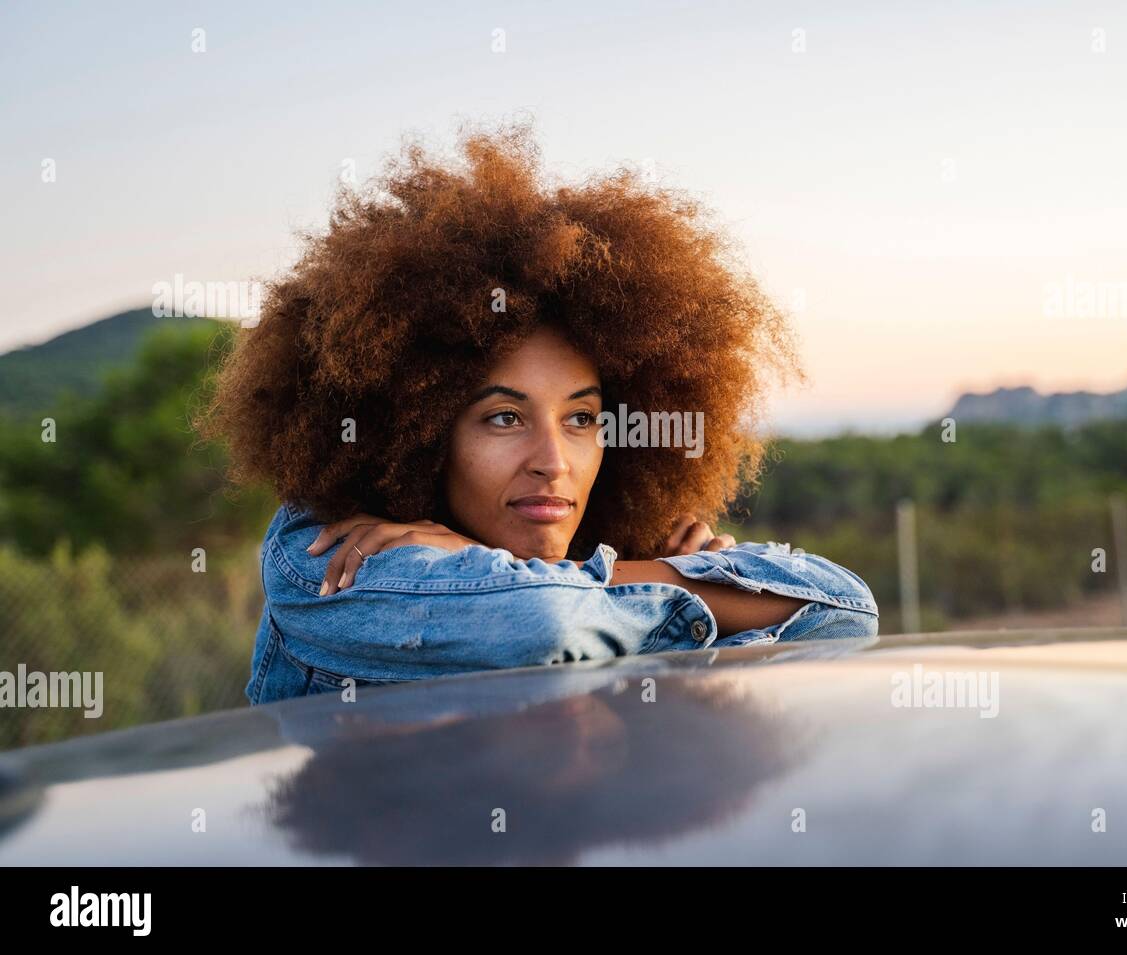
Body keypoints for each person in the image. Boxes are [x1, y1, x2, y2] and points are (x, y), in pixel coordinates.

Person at [201, 120, 878, 705]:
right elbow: (538, 622)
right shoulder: (331, 554)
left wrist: (629, 576)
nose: (554, 463)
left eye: (581, 419)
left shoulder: (589, 548)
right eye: (503, 417)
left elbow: (846, 610)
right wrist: (686, 586)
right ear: (417, 433)